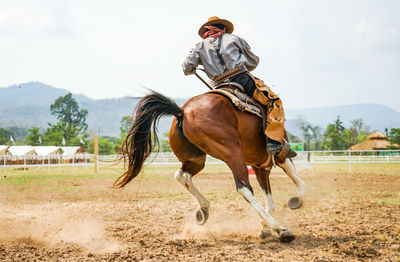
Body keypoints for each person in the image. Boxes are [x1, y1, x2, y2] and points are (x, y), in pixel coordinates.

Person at [182, 16, 295, 158]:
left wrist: (197, 67)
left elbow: (186, 68)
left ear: (207, 31)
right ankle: (273, 141)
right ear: (223, 28)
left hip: (218, 85)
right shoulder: (234, 38)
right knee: (273, 101)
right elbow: (253, 61)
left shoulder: (199, 46)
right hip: (241, 79)